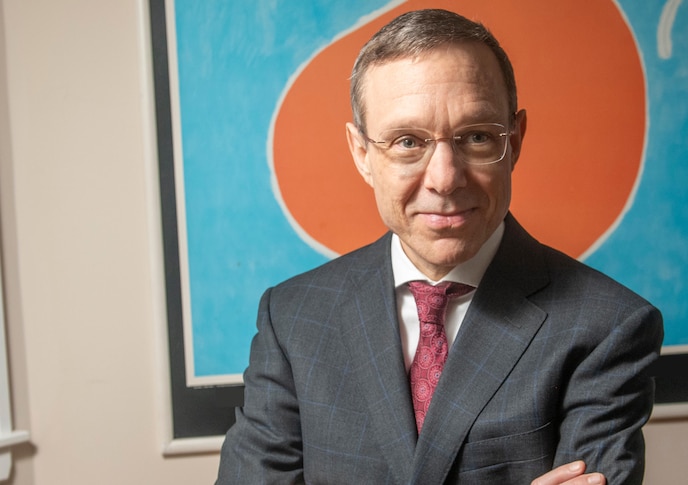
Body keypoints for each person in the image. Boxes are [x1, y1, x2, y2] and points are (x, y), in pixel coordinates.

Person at [216, 8, 662, 485]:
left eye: (476, 137)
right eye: (408, 141)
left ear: (515, 141)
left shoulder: (609, 326)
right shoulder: (292, 318)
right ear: (362, 153)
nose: (445, 178)